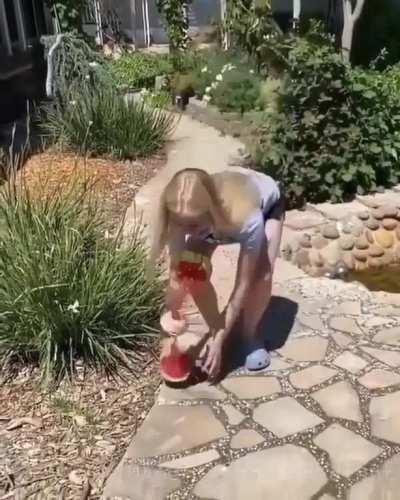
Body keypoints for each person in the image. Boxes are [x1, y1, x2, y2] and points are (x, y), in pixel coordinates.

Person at [149, 166, 285, 381]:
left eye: (192, 224)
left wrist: (220, 338)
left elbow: (243, 284)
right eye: (180, 223)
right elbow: (178, 274)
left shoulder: (247, 220)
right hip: (219, 211)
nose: (186, 231)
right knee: (190, 270)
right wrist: (172, 321)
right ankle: (215, 329)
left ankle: (250, 336)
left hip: (263, 206)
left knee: (261, 276)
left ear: (211, 210)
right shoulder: (181, 212)